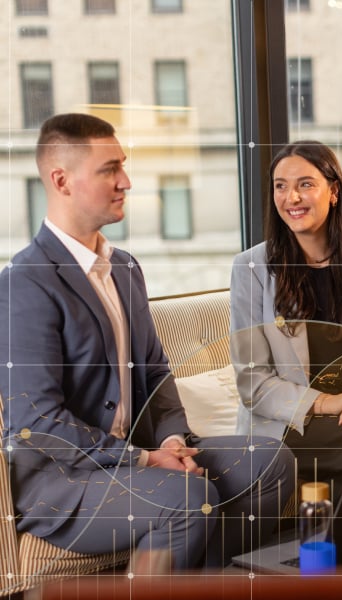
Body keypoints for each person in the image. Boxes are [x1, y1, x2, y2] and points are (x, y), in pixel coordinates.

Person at [0, 113, 295, 571]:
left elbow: (156, 373)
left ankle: (209, 592)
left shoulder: (124, 268)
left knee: (271, 460)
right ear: (61, 181)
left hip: (136, 455)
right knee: (187, 497)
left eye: (122, 165)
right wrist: (145, 459)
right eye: (109, 170)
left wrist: (172, 439)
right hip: (62, 483)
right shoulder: (25, 282)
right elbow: (36, 422)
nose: (126, 181)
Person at [230, 140, 342, 494]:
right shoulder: (251, 267)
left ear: (333, 192)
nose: (291, 198)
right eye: (281, 186)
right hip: (288, 425)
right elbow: (252, 382)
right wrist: (332, 403)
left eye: (305, 184)